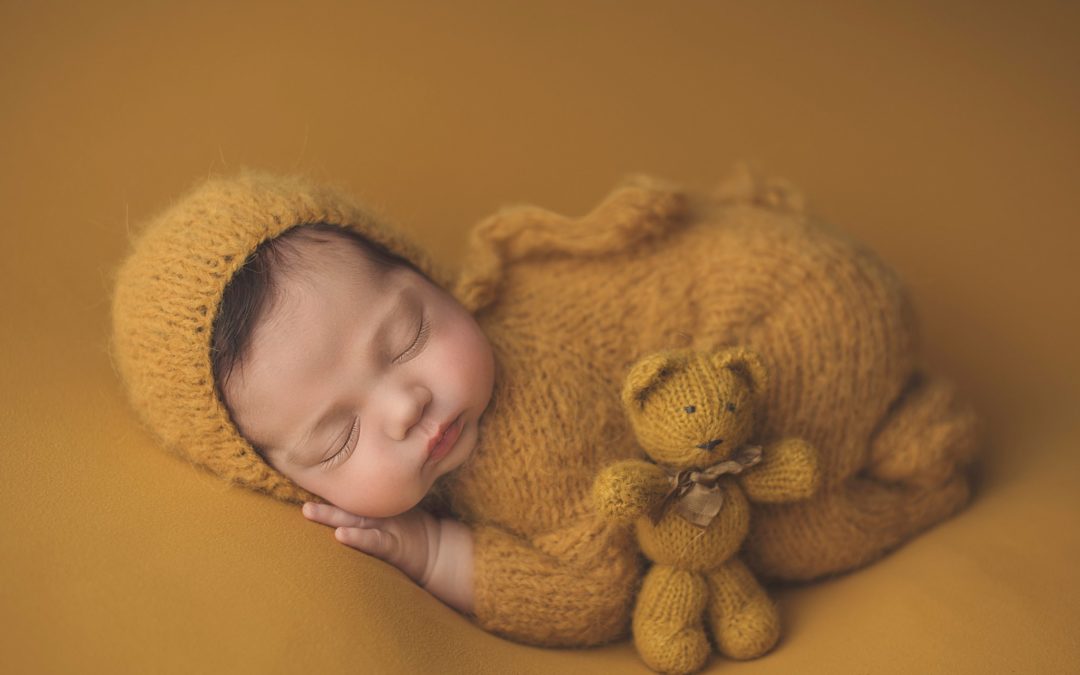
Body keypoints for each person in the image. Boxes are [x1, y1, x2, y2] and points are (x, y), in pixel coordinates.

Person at [111, 165, 979, 648]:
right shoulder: (450, 402)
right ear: (273, 478)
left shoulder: (520, 440)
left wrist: (433, 549)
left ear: (425, 273)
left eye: (407, 336)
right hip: (758, 272)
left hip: (805, 311)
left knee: (763, 529)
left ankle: (918, 456)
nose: (408, 403)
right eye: (338, 435)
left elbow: (593, 594)